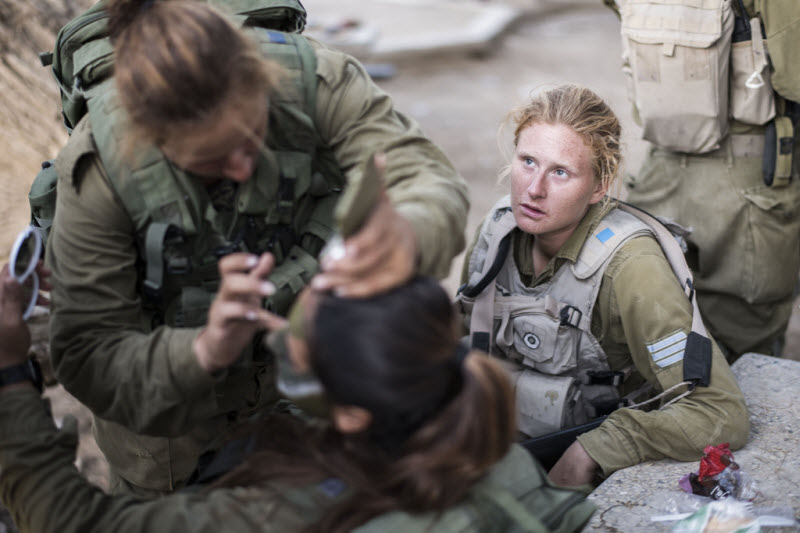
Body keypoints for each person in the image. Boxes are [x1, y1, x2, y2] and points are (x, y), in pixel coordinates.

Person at [46, 0, 468, 496]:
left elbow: (425, 176)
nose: (245, 168)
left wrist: (406, 233)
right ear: (153, 141)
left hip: (312, 389)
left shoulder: (316, 80)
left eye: (255, 137)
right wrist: (204, 349)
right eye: (213, 160)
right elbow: (88, 352)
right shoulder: (100, 170)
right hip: (174, 441)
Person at [0, 269, 596, 533]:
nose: (281, 340)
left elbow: (71, 521)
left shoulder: (291, 513)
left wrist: (10, 374)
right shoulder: (495, 456)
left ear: (350, 416)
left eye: (298, 351)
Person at [457, 85, 749, 487]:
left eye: (560, 172)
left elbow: (719, 411)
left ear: (599, 186)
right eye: (528, 161)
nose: (534, 189)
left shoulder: (633, 267)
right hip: (497, 429)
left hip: (574, 443)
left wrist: (598, 448)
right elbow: (462, 338)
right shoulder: (498, 231)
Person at [604, 0, 800, 358]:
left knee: (653, 323)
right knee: (746, 343)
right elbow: (794, 77)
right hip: (750, 184)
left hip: (659, 170)